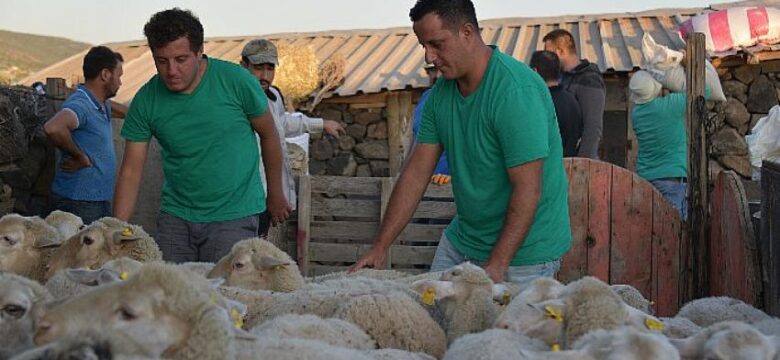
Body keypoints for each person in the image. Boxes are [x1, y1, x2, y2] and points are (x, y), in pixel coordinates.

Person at [351, 0, 571, 286]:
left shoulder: (515, 92)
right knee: (432, 317)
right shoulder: (440, 97)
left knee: (502, 328)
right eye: (423, 46)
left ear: (467, 32)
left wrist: (497, 264)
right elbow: (416, 174)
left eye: (437, 44)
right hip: (463, 241)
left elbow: (528, 188)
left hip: (524, 254)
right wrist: (380, 247)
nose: (429, 56)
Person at [113, 8, 288, 263]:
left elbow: (270, 135)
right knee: (174, 295)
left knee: (224, 297)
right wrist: (116, 229)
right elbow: (130, 171)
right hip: (176, 218)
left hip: (234, 215)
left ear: (199, 52)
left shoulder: (236, 82)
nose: (171, 70)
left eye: (181, 59)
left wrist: (275, 193)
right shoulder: (147, 100)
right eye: (161, 61)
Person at [239, 39, 345, 213]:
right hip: (247, 196)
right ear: (244, 66)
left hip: (271, 195)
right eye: (258, 68)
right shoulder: (234, 101)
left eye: (270, 68)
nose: (265, 76)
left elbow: (283, 124)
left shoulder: (273, 96)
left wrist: (321, 124)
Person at [44, 46, 124, 224]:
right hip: (79, 202)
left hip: (95, 199)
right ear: (105, 75)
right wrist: (79, 156)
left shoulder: (100, 103)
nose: (120, 82)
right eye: (118, 76)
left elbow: (121, 110)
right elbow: (54, 127)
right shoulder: (82, 104)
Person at [629, 70, 704, 221]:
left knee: (650, 227)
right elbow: (703, 92)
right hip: (672, 178)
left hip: (645, 177)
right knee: (674, 229)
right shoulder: (670, 105)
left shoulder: (636, 114)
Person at [543, 29, 605, 159]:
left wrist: (581, 166)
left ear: (561, 51)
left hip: (578, 163)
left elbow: (592, 128)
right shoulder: (562, 78)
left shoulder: (589, 80)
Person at [529, 50, 583, 157]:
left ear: (535, 72)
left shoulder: (540, 104)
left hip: (549, 169)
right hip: (571, 167)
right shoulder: (571, 100)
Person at [412, 62, 450, 184]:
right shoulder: (426, 97)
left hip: (449, 180)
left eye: (440, 69)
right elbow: (417, 139)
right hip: (424, 179)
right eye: (432, 71)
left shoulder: (461, 99)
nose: (436, 75)